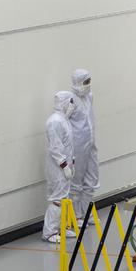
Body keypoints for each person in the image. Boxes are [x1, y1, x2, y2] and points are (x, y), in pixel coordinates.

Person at [42, 91, 76, 243]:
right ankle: (49, 232)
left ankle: (61, 227)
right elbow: (55, 147)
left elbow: (68, 145)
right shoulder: (54, 121)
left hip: (64, 165)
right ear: (63, 103)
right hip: (57, 168)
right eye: (71, 102)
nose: (72, 106)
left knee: (65, 197)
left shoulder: (64, 120)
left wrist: (71, 163)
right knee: (57, 199)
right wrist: (64, 165)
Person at [68, 68, 99, 218]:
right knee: (76, 182)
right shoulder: (70, 100)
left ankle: (86, 214)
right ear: (78, 82)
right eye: (86, 82)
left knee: (92, 178)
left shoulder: (89, 97)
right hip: (77, 146)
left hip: (91, 143)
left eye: (89, 81)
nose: (88, 85)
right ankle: (76, 216)